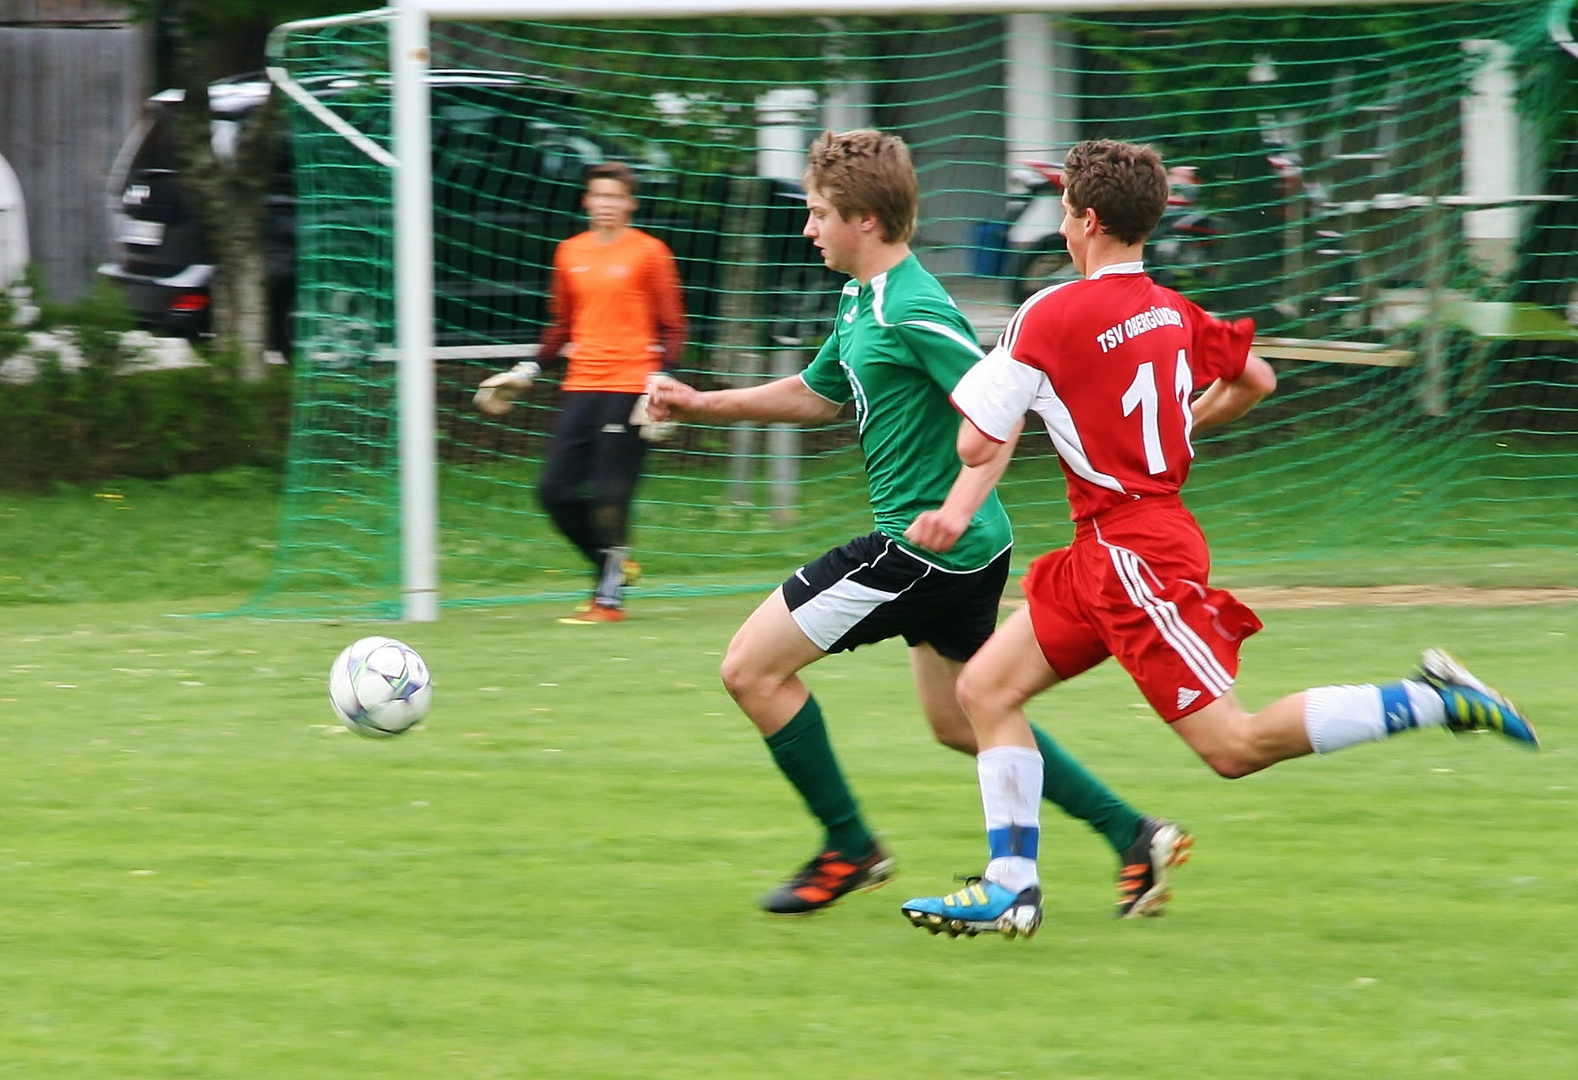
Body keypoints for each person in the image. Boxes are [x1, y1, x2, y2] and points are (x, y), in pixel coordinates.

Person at [899, 139, 1539, 941]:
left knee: (1233, 746)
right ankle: (1010, 885)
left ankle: (1432, 700)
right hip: (1106, 551)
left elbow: (973, 444)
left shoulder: (1050, 313)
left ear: (1089, 220)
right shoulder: (1171, 310)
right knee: (985, 690)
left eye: (1066, 213)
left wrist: (993, 416)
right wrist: (1183, 426)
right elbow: (1257, 378)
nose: (1062, 228)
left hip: (1134, 556)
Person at [647, 128, 1192, 920]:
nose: (808, 229)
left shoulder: (910, 305)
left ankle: (848, 849)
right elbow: (817, 393)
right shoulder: (860, 298)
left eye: (819, 214)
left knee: (750, 670)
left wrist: (956, 501)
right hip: (968, 549)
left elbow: (992, 405)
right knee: (965, 715)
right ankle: (1132, 833)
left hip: (926, 547)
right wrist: (702, 403)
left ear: (865, 219)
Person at [475, 161, 686, 624]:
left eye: (616, 197)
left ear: (630, 204)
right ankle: (611, 562)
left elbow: (672, 326)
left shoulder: (650, 253)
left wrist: (663, 376)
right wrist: (529, 368)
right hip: (580, 386)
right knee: (553, 490)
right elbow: (562, 324)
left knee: (613, 492)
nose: (607, 205)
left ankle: (607, 601)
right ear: (587, 200)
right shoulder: (569, 252)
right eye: (599, 196)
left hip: (631, 386)